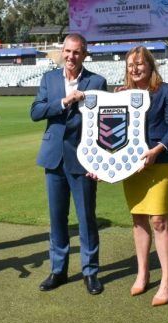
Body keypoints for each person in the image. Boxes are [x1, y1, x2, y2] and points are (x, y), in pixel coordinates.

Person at [30, 33, 108, 295]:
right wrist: (64, 101)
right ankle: (58, 270)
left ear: (84, 54)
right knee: (57, 219)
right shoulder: (49, 79)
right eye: (67, 51)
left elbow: (103, 125)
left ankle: (90, 272)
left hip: (84, 159)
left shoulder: (97, 81)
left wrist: (99, 161)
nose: (71, 56)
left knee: (86, 218)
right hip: (53, 157)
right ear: (61, 53)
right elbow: (36, 112)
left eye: (76, 52)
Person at [118, 46, 168, 306]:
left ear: (150, 66)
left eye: (140, 64)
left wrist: (157, 150)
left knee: (158, 220)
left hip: (159, 162)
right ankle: (143, 273)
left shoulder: (166, 91)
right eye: (130, 65)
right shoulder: (123, 94)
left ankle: (167, 280)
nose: (135, 69)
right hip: (132, 166)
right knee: (138, 219)